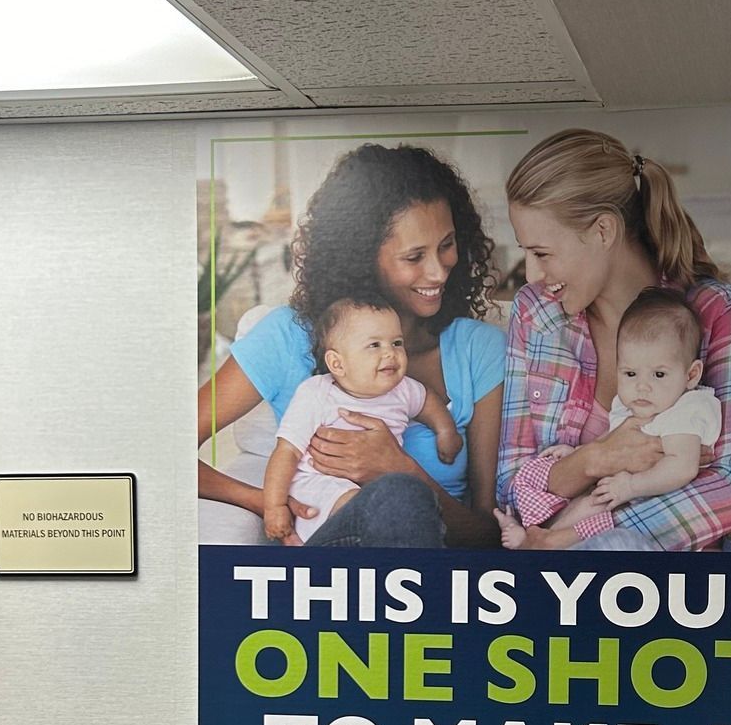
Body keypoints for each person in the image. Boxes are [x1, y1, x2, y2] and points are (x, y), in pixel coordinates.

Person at [197, 142, 504, 547]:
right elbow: (162, 447)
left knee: (400, 495)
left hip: (431, 580)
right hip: (329, 565)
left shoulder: (477, 349)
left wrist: (401, 470)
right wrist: (266, 502)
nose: (438, 271)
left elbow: (487, 535)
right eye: (414, 256)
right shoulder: (287, 337)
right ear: (361, 257)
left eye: (446, 245)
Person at [494, 128, 731, 551]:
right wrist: (598, 458)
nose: (530, 274)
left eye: (542, 253)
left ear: (603, 231)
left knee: (617, 550)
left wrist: (570, 536)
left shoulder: (715, 311)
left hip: (671, 584)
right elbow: (511, 490)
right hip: (555, 581)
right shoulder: (535, 313)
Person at [498, 288, 719, 547]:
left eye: (658, 375)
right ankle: (539, 535)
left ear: (691, 375)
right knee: (590, 502)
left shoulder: (687, 409)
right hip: (620, 497)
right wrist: (577, 452)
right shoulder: (631, 406)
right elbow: (610, 443)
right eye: (630, 374)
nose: (642, 387)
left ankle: (544, 541)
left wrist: (631, 486)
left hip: (658, 513)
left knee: (601, 509)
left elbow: (682, 467)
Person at [262, 295, 461, 545]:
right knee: (383, 496)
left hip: (378, 505)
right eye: (374, 345)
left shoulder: (402, 389)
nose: (390, 353)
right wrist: (274, 506)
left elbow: (427, 402)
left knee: (408, 501)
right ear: (337, 363)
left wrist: (445, 431)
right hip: (320, 498)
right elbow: (287, 451)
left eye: (397, 343)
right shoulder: (317, 393)